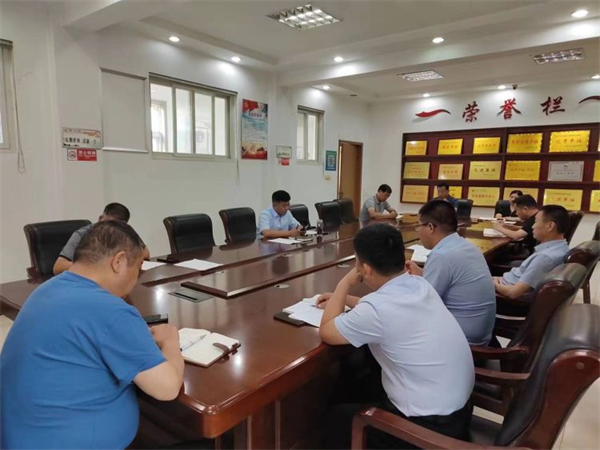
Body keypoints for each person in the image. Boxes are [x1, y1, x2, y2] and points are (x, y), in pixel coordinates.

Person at [0, 221, 184, 450]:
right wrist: (170, 340)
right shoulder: (111, 310)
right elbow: (167, 388)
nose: (136, 279)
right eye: (138, 268)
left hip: (22, 434)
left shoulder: (46, 290)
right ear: (119, 261)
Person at [317, 224, 474, 450]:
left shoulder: (378, 310)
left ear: (365, 269)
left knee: (336, 419)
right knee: (363, 376)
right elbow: (381, 309)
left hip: (429, 429)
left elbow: (327, 331)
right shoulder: (419, 284)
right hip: (459, 412)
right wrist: (340, 299)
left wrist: (344, 283)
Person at [405, 200, 496, 345]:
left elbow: (423, 304)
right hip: (481, 333)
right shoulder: (466, 245)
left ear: (430, 227)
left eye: (419, 226)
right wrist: (422, 274)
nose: (418, 231)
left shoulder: (442, 255)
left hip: (463, 341)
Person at [494, 205, 570, 299]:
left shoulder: (545, 258)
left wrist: (494, 283)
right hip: (506, 282)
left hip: (503, 296)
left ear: (550, 226)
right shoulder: (561, 247)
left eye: (536, 222)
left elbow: (513, 293)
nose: (533, 226)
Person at [53, 202, 147, 275]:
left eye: (117, 227)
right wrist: (95, 264)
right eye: (107, 224)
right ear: (100, 219)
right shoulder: (82, 234)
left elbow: (146, 254)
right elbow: (58, 267)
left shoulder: (124, 232)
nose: (110, 230)